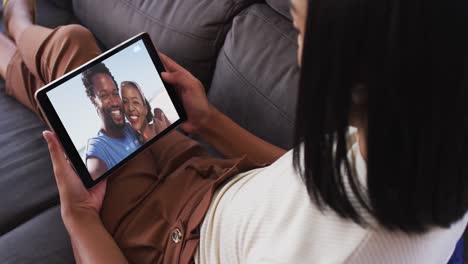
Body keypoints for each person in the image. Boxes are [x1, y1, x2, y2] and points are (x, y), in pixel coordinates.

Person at [0, 0, 466, 263]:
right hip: (212, 179)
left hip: (168, 238)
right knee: (69, 84)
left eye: (299, 30)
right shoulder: (424, 141)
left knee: (72, 48)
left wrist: (79, 216)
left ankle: (15, 27)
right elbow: (305, 181)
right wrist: (211, 123)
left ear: (354, 71)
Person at [83, 64, 142, 180]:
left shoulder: (131, 128)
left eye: (115, 93)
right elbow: (94, 173)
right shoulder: (97, 149)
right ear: (93, 101)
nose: (114, 102)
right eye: (104, 96)